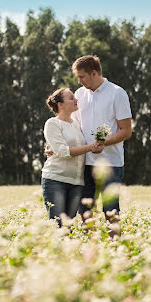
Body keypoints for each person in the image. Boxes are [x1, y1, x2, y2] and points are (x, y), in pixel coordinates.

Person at [45, 55, 132, 237]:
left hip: (111, 163)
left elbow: (126, 131)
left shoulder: (117, 93)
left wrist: (103, 143)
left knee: (111, 209)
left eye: (82, 77)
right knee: (85, 210)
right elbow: (70, 125)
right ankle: (88, 248)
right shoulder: (79, 95)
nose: (79, 81)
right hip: (84, 162)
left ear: (94, 73)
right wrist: (53, 145)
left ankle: (116, 249)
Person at [41, 87, 103, 226]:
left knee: (67, 228)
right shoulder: (52, 123)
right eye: (71, 98)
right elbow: (63, 151)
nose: (76, 100)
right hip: (55, 181)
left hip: (76, 183)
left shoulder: (76, 124)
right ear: (60, 105)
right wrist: (91, 147)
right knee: (58, 226)